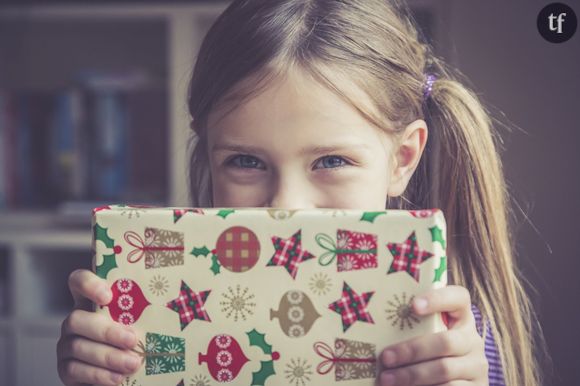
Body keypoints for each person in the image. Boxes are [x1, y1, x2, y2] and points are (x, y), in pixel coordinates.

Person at [57, 0, 543, 385]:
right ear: (209, 155)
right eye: (246, 161)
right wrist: (102, 372)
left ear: (402, 160)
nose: (286, 206)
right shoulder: (158, 325)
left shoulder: (452, 346)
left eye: (331, 161)